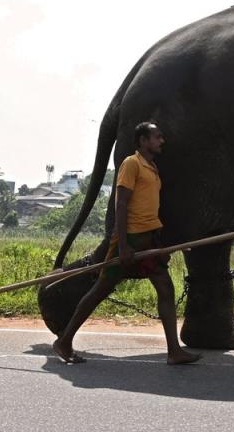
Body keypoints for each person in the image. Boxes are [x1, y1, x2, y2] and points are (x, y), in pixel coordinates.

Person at [53, 122, 202, 365]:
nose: (162, 141)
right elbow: (120, 204)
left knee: (165, 289)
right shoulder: (131, 164)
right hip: (131, 239)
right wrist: (122, 245)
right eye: (157, 137)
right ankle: (64, 340)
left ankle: (174, 351)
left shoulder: (151, 167)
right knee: (100, 290)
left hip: (148, 239)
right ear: (143, 141)